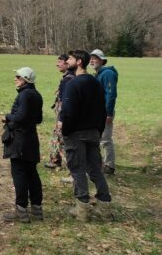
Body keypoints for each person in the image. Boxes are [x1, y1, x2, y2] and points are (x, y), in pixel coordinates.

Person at [60, 50, 112, 222]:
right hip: (93, 133)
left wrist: (65, 130)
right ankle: (105, 206)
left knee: (77, 170)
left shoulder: (73, 84)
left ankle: (82, 210)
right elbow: (102, 108)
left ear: (79, 61)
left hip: (76, 134)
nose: (67, 61)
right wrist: (98, 129)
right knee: (95, 169)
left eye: (70, 59)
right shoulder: (96, 82)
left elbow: (68, 112)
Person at [1, 67, 44, 223]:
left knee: (19, 174)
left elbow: (19, 116)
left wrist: (7, 117)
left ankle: (21, 211)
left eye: (18, 77)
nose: (15, 79)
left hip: (20, 140)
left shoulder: (24, 95)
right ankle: (37, 210)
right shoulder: (37, 95)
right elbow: (38, 119)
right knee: (32, 173)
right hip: (32, 139)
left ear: (25, 79)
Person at [90, 49, 119, 175]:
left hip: (105, 112)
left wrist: (109, 113)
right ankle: (101, 163)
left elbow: (111, 94)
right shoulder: (98, 73)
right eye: (91, 58)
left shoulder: (107, 73)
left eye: (95, 58)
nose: (92, 60)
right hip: (98, 112)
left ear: (102, 60)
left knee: (105, 139)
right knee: (99, 138)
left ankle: (109, 166)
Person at [45, 54, 76, 169]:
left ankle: (72, 167)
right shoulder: (68, 77)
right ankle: (55, 159)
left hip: (64, 114)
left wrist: (62, 118)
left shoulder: (69, 79)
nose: (57, 64)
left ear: (67, 63)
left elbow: (65, 101)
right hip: (62, 114)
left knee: (62, 137)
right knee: (57, 135)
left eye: (59, 61)